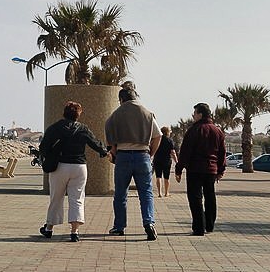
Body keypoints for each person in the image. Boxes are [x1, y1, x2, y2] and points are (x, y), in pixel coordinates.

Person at [39, 101, 110, 242]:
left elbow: (44, 147)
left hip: (60, 166)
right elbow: (95, 143)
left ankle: (49, 229)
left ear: (64, 113)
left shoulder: (55, 128)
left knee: (56, 198)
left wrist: (49, 156)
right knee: (77, 199)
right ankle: (74, 232)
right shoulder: (83, 128)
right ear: (78, 115)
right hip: (79, 167)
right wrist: (105, 152)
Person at [104, 85, 162, 241]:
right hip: (143, 155)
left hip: (123, 156)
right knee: (146, 193)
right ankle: (149, 223)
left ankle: (119, 227)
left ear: (121, 99)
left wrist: (115, 153)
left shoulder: (115, 115)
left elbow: (110, 141)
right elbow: (158, 136)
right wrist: (150, 153)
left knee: (120, 194)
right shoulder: (147, 113)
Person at [174, 103, 226, 236]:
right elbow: (222, 153)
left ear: (200, 114)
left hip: (195, 169)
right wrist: (220, 170)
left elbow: (185, 152)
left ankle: (199, 227)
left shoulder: (194, 130)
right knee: (210, 196)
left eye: (195, 113)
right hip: (211, 170)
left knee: (195, 197)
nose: (193, 116)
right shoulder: (217, 131)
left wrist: (179, 169)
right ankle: (209, 225)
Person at [153, 126, 179, 197]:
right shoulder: (169, 140)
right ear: (167, 132)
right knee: (166, 177)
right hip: (166, 161)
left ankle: (159, 193)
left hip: (157, 159)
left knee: (158, 176)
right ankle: (166, 193)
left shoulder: (157, 139)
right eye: (170, 131)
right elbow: (173, 152)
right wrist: (176, 161)